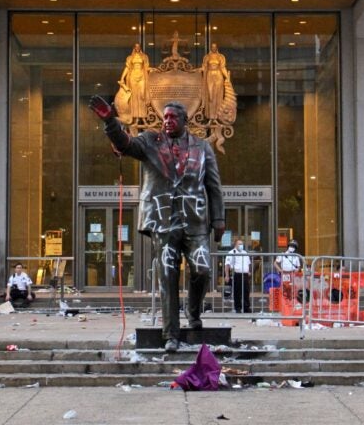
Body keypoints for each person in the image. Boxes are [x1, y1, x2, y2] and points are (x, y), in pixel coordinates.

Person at [89, 96, 225, 353]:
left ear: (186, 120)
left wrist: (219, 218)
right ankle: (170, 334)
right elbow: (125, 143)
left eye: (173, 117)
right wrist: (110, 122)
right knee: (167, 276)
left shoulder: (203, 147)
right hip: (163, 221)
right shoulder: (150, 141)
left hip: (195, 220)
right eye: (165, 117)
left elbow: (213, 185)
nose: (167, 121)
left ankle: (193, 311)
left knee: (203, 269)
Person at [117, 43, 151, 122]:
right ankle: (135, 118)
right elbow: (127, 68)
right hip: (132, 76)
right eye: (136, 46)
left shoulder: (144, 57)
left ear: (140, 47)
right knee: (134, 97)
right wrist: (122, 78)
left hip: (142, 76)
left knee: (142, 95)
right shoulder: (130, 58)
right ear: (134, 48)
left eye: (138, 46)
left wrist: (152, 69)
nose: (137, 48)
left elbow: (146, 67)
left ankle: (143, 117)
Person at [201, 43, 231, 121]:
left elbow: (223, 67)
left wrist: (227, 77)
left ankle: (217, 116)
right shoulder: (207, 57)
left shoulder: (221, 57)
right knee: (210, 96)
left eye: (215, 47)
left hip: (218, 75)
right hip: (210, 75)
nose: (213, 48)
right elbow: (204, 67)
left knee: (218, 95)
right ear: (211, 48)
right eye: (212, 47)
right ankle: (210, 115)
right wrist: (198, 70)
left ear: (217, 47)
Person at [224, 239, 252, 313]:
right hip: (237, 274)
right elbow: (227, 265)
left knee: (246, 292)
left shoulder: (245, 253)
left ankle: (246, 308)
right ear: (235, 245)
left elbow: (248, 263)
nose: (241, 245)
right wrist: (227, 275)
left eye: (242, 244)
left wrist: (248, 271)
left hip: (245, 274)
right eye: (239, 244)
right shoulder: (231, 253)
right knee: (237, 292)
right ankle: (238, 308)